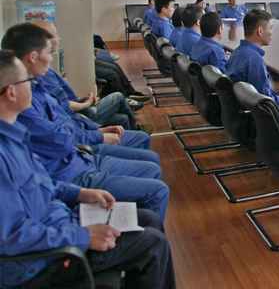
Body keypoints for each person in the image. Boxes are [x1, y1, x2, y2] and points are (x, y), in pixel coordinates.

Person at [0, 50, 176, 289]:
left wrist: (80, 193)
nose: (34, 85)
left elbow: (43, 183)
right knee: (152, 244)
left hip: (62, 225)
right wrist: (83, 236)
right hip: (45, 260)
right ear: (11, 92)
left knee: (148, 218)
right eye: (28, 81)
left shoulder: (14, 137)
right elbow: (12, 237)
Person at [1, 24, 169, 220]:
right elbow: (62, 141)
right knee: (157, 190)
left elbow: (66, 124)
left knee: (149, 163)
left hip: (80, 159)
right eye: (48, 51)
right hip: (74, 171)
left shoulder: (34, 93)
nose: (51, 56)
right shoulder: (24, 112)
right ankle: (135, 224)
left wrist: (93, 131)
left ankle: (134, 219)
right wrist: (96, 135)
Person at [32, 21, 140, 130]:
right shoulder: (43, 74)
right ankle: (135, 129)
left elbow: (63, 100)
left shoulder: (47, 70)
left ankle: (133, 132)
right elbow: (62, 105)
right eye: (55, 35)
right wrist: (86, 104)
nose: (59, 38)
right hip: (75, 117)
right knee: (118, 96)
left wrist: (82, 100)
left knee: (123, 118)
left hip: (78, 110)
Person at [227, 9, 279, 107]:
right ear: (260, 31)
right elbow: (267, 101)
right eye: (270, 28)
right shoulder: (254, 60)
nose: (272, 32)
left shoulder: (237, 52)